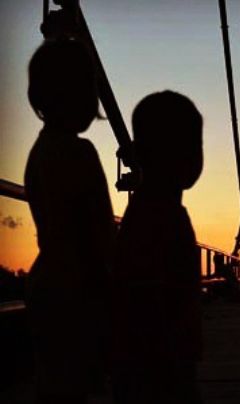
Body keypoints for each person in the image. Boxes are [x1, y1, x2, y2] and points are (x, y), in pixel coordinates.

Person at [24, 39, 115, 404]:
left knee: (55, 387)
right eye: (91, 87)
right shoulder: (81, 153)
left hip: (47, 285)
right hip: (81, 290)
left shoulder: (39, 152)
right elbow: (100, 234)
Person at [112, 91, 203, 404]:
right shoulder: (159, 217)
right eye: (191, 147)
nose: (196, 157)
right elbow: (147, 300)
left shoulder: (149, 211)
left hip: (157, 368)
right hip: (159, 374)